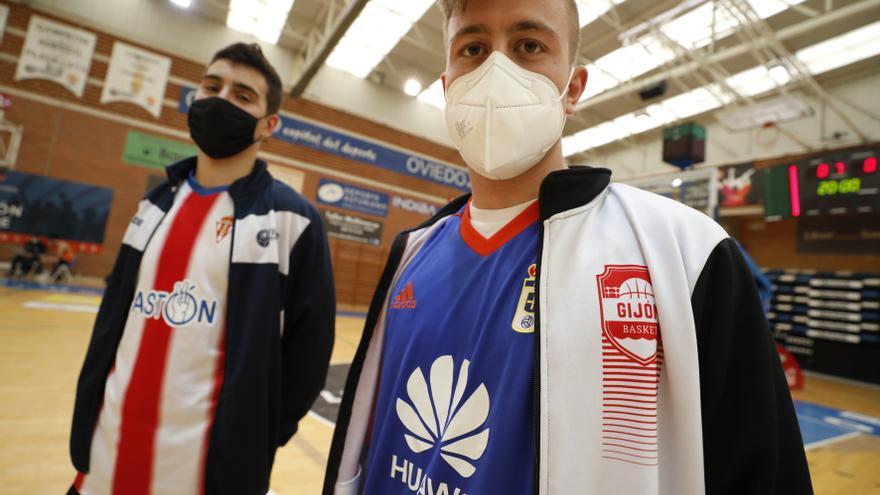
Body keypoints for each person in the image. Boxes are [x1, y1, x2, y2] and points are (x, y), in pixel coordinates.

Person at [323, 1, 812, 494]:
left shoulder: (689, 254)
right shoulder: (410, 254)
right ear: (448, 87)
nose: (497, 68)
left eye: (529, 45)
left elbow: (765, 474)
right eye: (473, 48)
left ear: (572, 89)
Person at [69, 42, 336, 495]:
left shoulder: (294, 222)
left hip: (210, 476)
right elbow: (111, 324)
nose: (221, 100)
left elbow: (310, 353)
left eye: (243, 96)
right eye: (212, 87)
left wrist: (257, 436)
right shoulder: (151, 207)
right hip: (106, 461)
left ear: (269, 125)